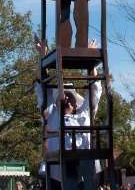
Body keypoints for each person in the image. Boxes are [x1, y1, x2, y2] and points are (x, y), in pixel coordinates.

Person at [35, 39, 102, 189]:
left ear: (75, 103)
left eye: (69, 97)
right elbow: (42, 89)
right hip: (57, 175)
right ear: (57, 102)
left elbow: (94, 91)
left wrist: (90, 59)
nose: (67, 100)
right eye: (63, 97)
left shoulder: (84, 115)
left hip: (82, 173)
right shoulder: (51, 115)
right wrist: (42, 56)